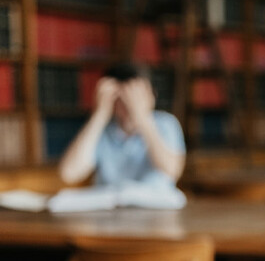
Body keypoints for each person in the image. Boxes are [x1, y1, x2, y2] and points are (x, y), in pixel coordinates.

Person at [58, 62, 186, 191]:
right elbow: (68, 174)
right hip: (110, 207)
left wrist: (142, 118)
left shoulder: (166, 123)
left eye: (134, 96)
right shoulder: (102, 129)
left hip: (156, 207)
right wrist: (99, 114)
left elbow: (172, 170)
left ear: (151, 95)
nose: (128, 104)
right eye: (121, 98)